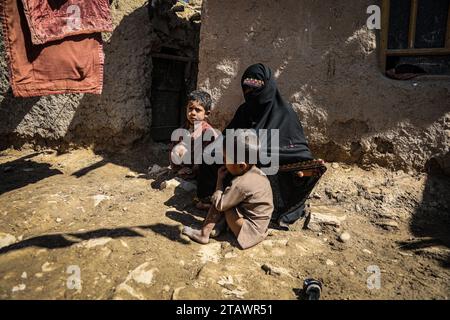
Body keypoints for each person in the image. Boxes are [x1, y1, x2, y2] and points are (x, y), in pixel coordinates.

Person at [196, 63, 324, 227]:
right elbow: (227, 137)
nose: (251, 94)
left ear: (268, 88)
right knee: (211, 157)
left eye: (256, 90)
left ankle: (238, 206)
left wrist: (261, 155)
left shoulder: (286, 113)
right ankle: (214, 198)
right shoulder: (245, 110)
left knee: (265, 171)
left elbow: (298, 153)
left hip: (268, 168)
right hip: (237, 161)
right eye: (247, 90)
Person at [182, 134, 274, 249]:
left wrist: (219, 181)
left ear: (241, 165)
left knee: (221, 201)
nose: (224, 162)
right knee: (229, 199)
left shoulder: (241, 184)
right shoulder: (258, 173)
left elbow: (220, 205)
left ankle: (203, 234)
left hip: (249, 231)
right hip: (261, 227)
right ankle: (220, 226)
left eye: (226, 159)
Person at [170, 90, 218, 181]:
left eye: (198, 110)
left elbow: (207, 156)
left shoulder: (208, 132)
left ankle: (192, 174)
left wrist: (194, 170)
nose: (192, 113)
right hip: (186, 164)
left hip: (201, 167)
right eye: (190, 108)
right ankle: (181, 170)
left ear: (206, 114)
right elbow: (174, 148)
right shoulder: (184, 128)